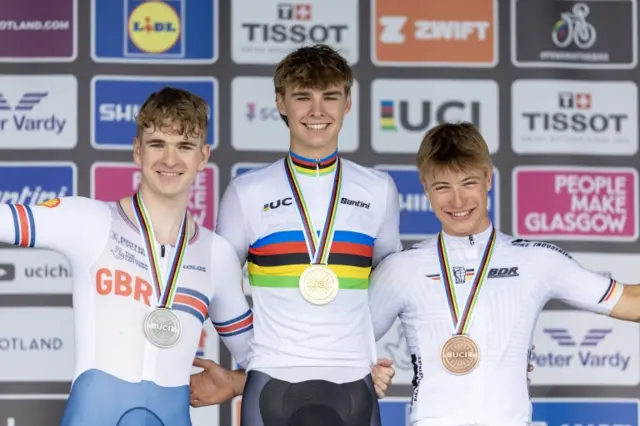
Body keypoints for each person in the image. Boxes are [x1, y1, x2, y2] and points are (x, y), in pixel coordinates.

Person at [0, 88, 254, 425]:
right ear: (138, 150)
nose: (170, 160)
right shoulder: (90, 221)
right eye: (157, 144)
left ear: (203, 156)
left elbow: (260, 359)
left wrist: (236, 383)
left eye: (184, 146)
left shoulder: (216, 255)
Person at [366, 122, 639, 426]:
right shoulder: (402, 268)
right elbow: (339, 343)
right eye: (443, 186)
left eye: (468, 183)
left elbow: (630, 300)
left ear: (488, 178)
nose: (457, 201)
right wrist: (365, 372)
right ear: (425, 187)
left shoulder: (536, 261)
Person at [189, 44, 402, 425]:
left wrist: (359, 343)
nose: (317, 111)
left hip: (355, 378)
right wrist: (253, 355)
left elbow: (394, 283)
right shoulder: (247, 191)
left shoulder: (379, 189)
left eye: (330, 96)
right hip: (271, 379)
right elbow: (217, 280)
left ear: (347, 103)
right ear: (281, 103)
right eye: (303, 97)